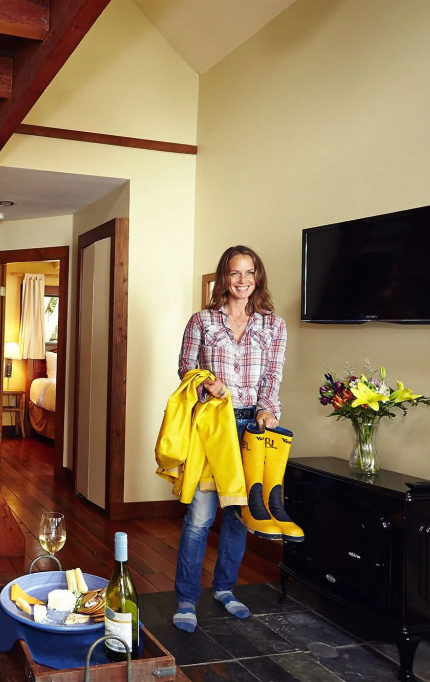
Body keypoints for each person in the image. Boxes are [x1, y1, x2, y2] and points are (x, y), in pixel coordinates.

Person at [172, 245, 287, 632]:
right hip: (213, 426)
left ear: (258, 277)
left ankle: (224, 589)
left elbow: (273, 376)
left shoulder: (273, 326)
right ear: (224, 277)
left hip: (252, 429)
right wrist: (208, 383)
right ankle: (186, 598)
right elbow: (185, 368)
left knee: (238, 516)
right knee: (200, 517)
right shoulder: (202, 321)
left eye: (249, 272)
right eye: (235, 273)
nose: (242, 280)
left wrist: (268, 410)